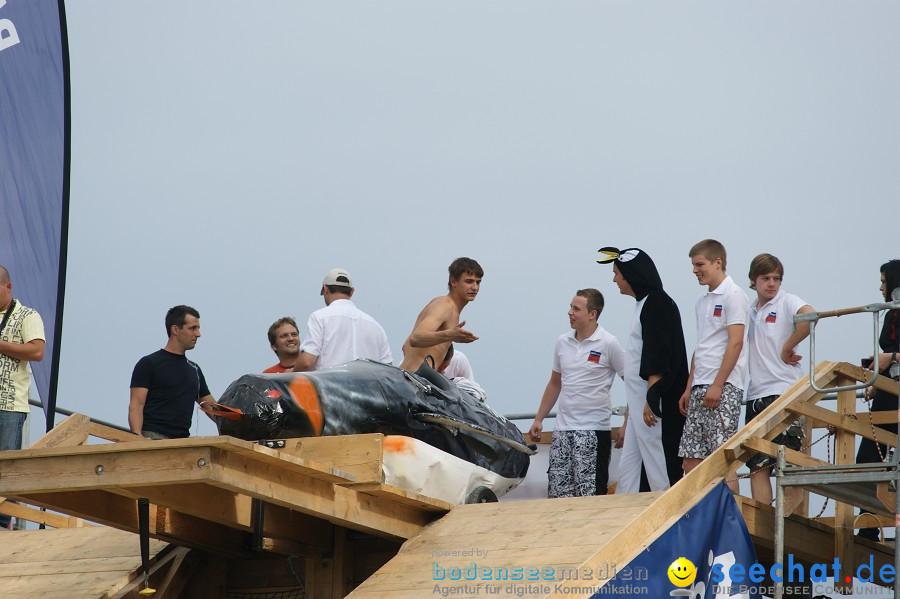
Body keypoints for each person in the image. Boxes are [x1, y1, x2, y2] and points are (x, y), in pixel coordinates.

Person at [598, 247, 689, 493]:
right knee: (630, 467)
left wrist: (652, 398)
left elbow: (658, 355)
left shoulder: (657, 303)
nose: (614, 279)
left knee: (660, 462)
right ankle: (625, 515)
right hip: (640, 407)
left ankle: (668, 516)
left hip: (654, 406)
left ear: (631, 275)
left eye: (617, 273)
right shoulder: (644, 304)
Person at [529, 289, 625, 497]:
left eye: (576, 308)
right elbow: (555, 383)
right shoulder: (562, 341)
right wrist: (539, 419)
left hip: (593, 431)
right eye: (571, 307)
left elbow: (634, 383)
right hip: (562, 431)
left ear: (592, 314)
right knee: (558, 496)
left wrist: (627, 422)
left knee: (590, 497)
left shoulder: (609, 343)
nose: (570, 312)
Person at [678, 239, 749, 491]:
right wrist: (689, 387)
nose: (695, 270)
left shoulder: (734, 295)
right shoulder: (702, 301)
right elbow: (702, 346)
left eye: (700, 264)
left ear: (718, 263)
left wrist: (718, 385)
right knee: (691, 461)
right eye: (694, 265)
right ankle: (703, 522)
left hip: (724, 387)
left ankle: (731, 522)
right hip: (700, 386)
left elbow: (736, 343)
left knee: (722, 462)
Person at [744, 253, 813, 506]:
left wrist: (788, 347)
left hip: (784, 391)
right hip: (755, 395)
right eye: (766, 278)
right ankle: (766, 530)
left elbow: (810, 317)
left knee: (788, 464)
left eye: (777, 278)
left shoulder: (787, 300)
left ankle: (789, 527)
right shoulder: (750, 309)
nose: (772, 283)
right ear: (754, 280)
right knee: (757, 466)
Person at [856, 259, 900, 541]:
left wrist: (891, 358)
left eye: (884, 281)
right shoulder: (890, 312)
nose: (880, 286)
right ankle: (870, 524)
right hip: (888, 388)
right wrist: (877, 375)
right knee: (866, 460)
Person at [0, 266, 45, 530]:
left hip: (9, 405)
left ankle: (6, 524)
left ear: (8, 287)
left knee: (8, 467)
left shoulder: (27, 315)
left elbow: (37, 351)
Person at [129, 305, 217, 439]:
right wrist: (137, 439)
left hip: (182, 443)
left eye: (198, 328)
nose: (198, 334)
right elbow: (136, 405)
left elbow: (212, 408)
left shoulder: (195, 370)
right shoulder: (149, 363)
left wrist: (242, 423)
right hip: (152, 438)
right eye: (193, 328)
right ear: (175, 329)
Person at [295, 268, 392, 371]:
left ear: (325, 288)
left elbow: (306, 362)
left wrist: (288, 381)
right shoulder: (376, 326)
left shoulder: (320, 317)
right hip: (369, 386)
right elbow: (388, 370)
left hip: (331, 385)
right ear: (351, 292)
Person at [399, 257, 482, 371]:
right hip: (413, 382)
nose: (475, 287)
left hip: (411, 379)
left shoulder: (450, 309)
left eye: (478, 282)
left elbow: (405, 347)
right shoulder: (444, 306)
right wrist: (450, 335)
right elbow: (414, 338)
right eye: (469, 281)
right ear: (453, 281)